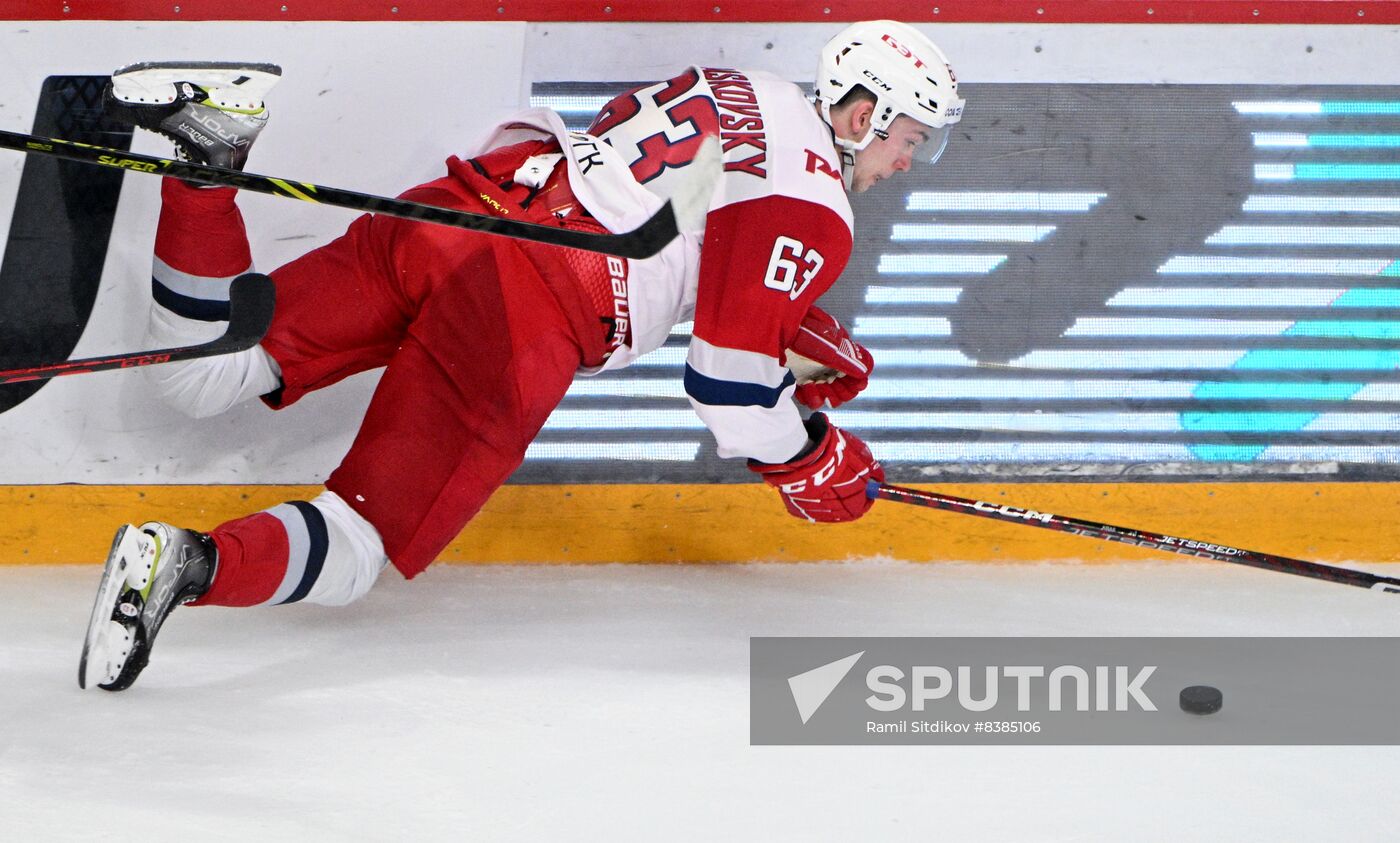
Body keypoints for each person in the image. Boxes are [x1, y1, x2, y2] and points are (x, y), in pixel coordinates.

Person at [79, 20, 967, 691]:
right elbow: (727, 387)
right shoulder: (815, 202)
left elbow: (678, 219)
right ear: (863, 114)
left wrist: (785, 328)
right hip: (527, 307)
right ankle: (185, 563)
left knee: (204, 370)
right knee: (355, 543)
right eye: (910, 139)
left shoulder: (749, 87)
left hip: (471, 209)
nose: (905, 163)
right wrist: (812, 456)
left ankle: (206, 158)